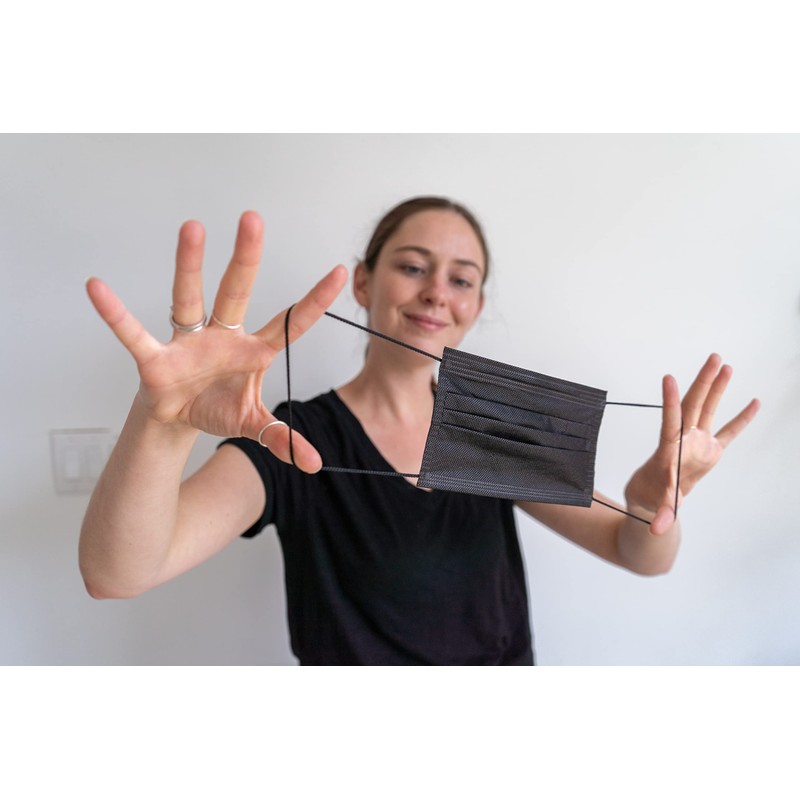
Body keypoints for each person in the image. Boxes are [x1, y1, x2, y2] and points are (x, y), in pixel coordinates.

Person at [80, 197, 760, 665]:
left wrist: (650, 505)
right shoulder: (290, 436)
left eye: (462, 280)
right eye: (412, 267)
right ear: (364, 284)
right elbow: (116, 574)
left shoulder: (491, 422)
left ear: (476, 306)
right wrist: (163, 422)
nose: (437, 291)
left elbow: (639, 555)